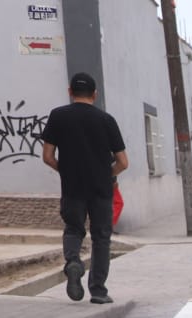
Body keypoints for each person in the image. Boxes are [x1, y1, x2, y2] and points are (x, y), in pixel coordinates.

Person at [40, 72, 128, 304]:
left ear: (70, 92)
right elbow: (123, 162)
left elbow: (48, 156)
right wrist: (105, 174)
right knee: (101, 238)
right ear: (95, 94)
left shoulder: (58, 116)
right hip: (101, 190)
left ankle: (73, 263)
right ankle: (98, 291)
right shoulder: (106, 120)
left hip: (72, 188)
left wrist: (66, 171)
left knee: (73, 229)